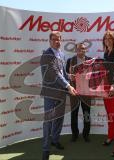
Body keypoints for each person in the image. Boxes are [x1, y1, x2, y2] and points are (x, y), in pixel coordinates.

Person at [40, 31, 77, 160]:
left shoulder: (62, 54)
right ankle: (46, 150)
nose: (57, 41)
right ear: (50, 41)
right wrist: (68, 85)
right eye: (54, 39)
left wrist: (69, 77)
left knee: (59, 118)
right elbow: (54, 73)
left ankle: (55, 140)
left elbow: (62, 72)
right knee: (48, 121)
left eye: (59, 39)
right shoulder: (46, 55)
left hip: (61, 92)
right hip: (50, 93)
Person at [66, 42, 92, 142]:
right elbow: (65, 74)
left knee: (86, 114)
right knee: (74, 114)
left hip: (86, 91)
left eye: (83, 48)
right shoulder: (70, 60)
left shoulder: (90, 60)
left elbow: (94, 75)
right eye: (79, 49)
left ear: (86, 50)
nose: (81, 50)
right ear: (76, 50)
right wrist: (69, 76)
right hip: (74, 91)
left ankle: (86, 135)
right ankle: (75, 134)